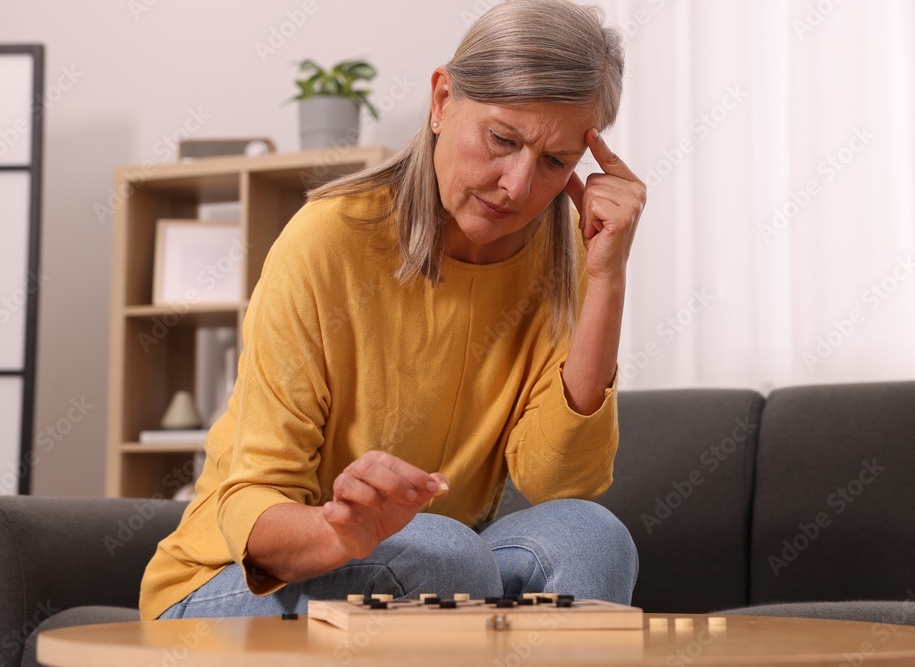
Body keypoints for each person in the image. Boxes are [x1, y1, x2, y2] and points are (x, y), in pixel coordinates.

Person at [140, 0, 646, 621]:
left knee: (593, 537)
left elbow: (557, 481)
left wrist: (607, 280)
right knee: (438, 555)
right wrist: (339, 533)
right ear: (441, 101)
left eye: (555, 162)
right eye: (501, 139)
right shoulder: (329, 241)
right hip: (233, 582)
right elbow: (252, 506)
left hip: (429, 569)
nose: (517, 186)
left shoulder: (566, 250)